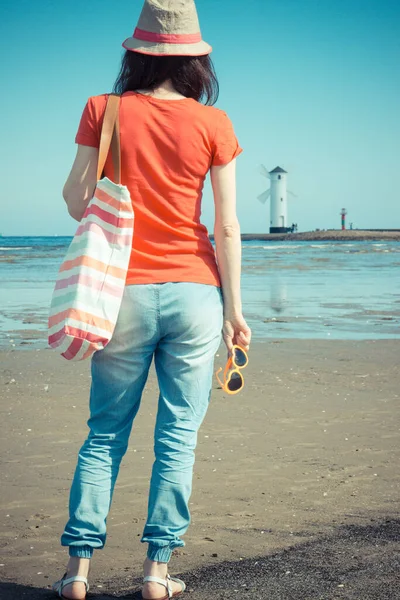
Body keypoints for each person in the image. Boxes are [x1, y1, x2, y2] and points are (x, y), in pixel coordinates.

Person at [53, 1, 251, 598]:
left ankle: (77, 573)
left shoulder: (103, 109)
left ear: (133, 54)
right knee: (178, 433)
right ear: (196, 61)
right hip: (196, 292)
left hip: (122, 295)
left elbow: (75, 199)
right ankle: (157, 573)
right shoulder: (213, 124)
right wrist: (236, 312)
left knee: (106, 430)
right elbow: (228, 227)